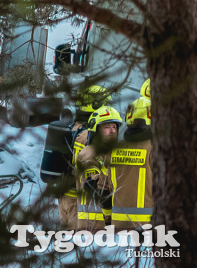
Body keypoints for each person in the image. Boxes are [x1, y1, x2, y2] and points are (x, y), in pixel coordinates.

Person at [58, 84, 109, 229]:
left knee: (66, 243)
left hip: (64, 196)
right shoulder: (89, 135)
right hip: (77, 198)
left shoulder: (74, 128)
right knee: (78, 244)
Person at [76, 105, 122, 230]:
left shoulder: (111, 153)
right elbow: (92, 186)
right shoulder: (89, 153)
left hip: (105, 222)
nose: (112, 131)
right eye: (107, 127)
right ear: (95, 130)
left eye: (114, 127)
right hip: (92, 222)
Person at [111, 97, 152, 229]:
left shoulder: (115, 150)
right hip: (147, 224)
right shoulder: (154, 149)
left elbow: (103, 186)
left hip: (117, 223)